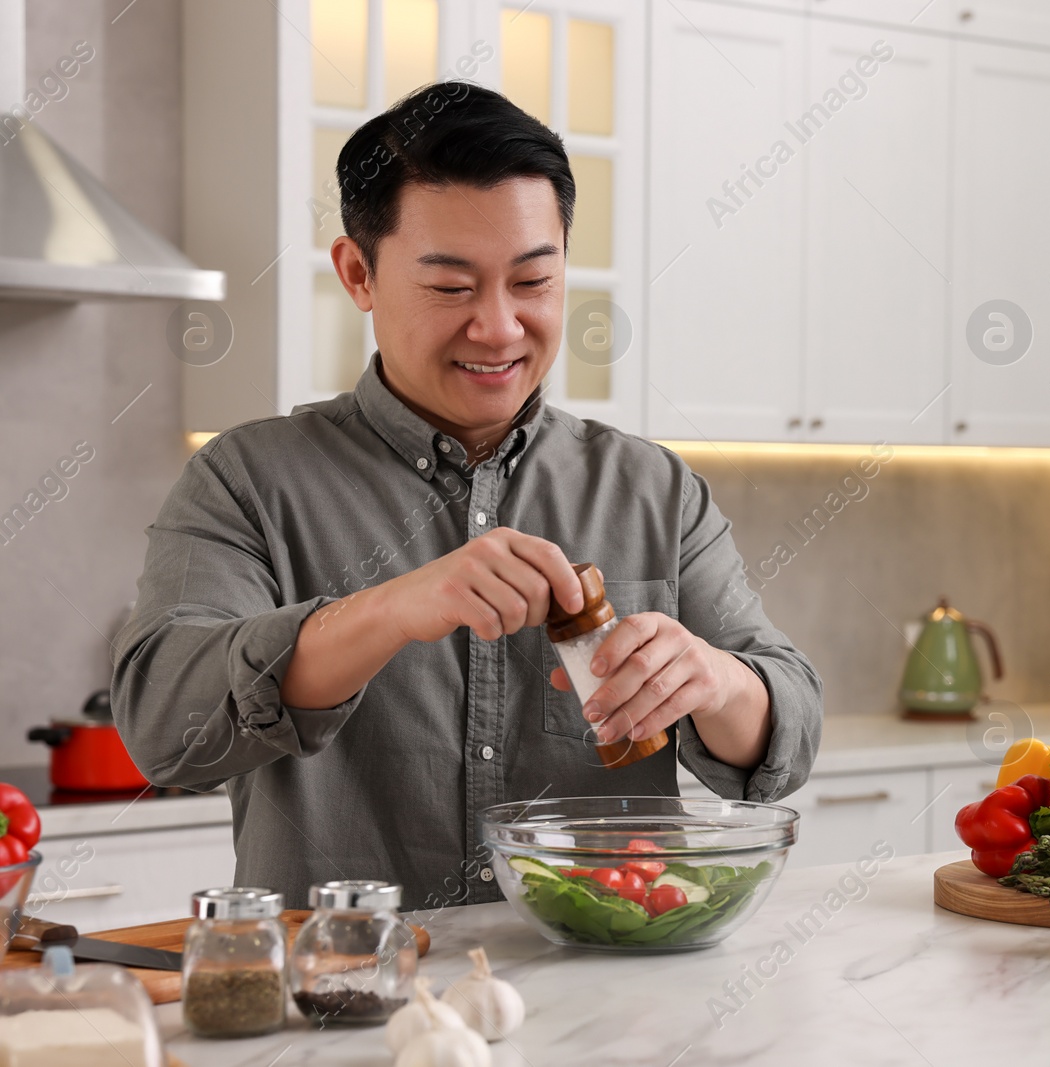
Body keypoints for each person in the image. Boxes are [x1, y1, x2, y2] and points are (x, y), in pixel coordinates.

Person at [111, 83, 823, 910]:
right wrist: (385, 612)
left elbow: (789, 730)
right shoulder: (246, 479)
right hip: (344, 1007)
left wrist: (716, 681)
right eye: (451, 287)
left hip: (598, 1010)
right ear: (358, 274)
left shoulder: (652, 488)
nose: (498, 327)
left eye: (532, 281)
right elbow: (165, 726)